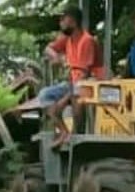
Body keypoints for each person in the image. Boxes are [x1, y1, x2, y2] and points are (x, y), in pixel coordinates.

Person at [36, 5, 104, 147]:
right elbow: (48, 49)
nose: (60, 23)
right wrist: (58, 58)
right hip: (73, 82)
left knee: (77, 93)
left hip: (91, 84)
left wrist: (63, 100)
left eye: (63, 19)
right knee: (44, 95)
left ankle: (75, 134)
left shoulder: (87, 41)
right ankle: (63, 131)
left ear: (72, 21)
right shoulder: (66, 39)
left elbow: (83, 75)